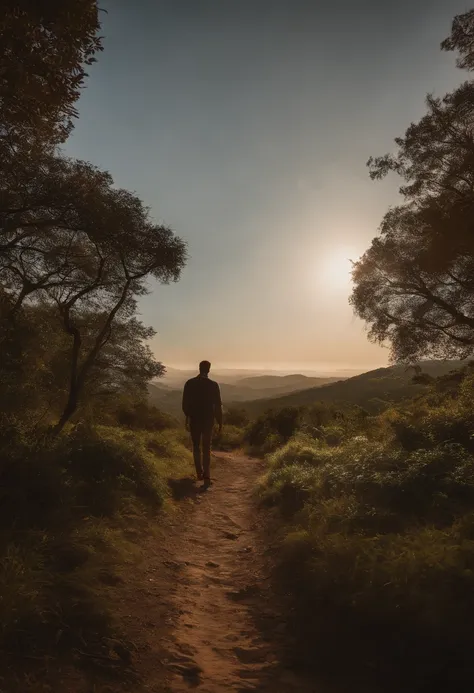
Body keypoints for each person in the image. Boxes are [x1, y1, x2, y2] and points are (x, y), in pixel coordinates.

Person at [182, 360, 222, 486]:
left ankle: (198, 472)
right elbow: (218, 406)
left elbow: (185, 404)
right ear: (209, 369)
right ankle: (207, 475)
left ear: (199, 368)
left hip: (195, 419)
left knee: (196, 446)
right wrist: (219, 421)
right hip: (208, 421)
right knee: (206, 447)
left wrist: (188, 416)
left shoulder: (189, 383)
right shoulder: (213, 385)